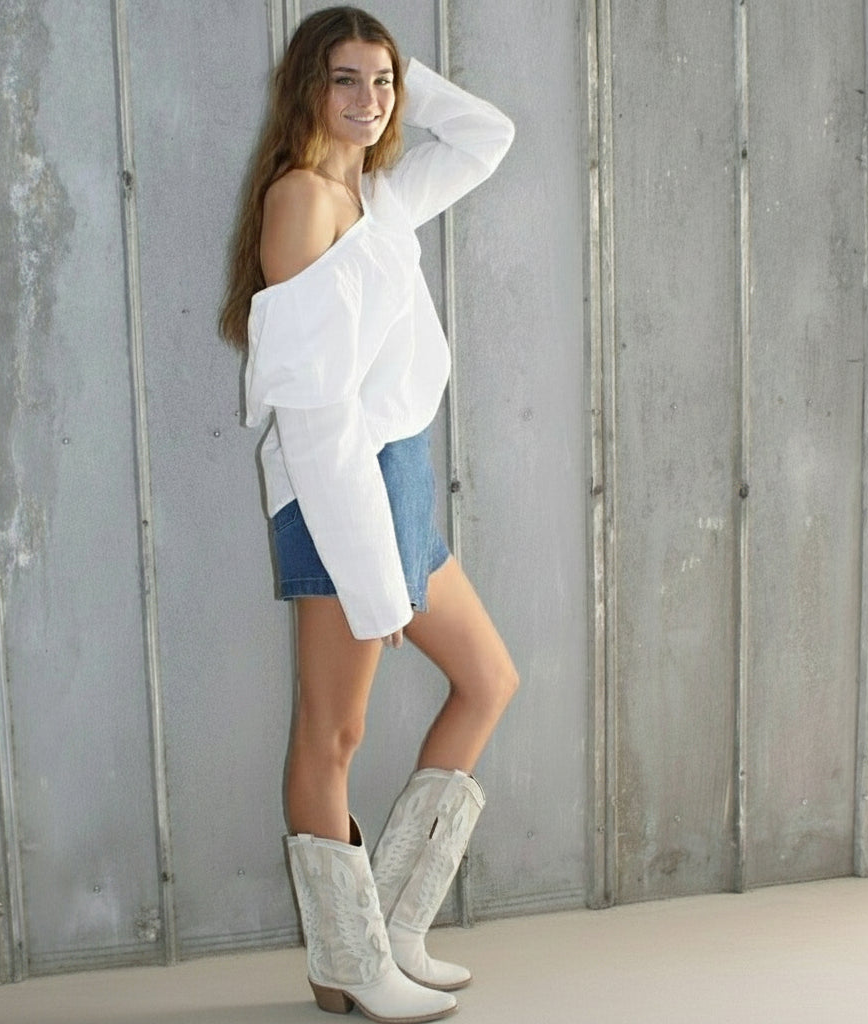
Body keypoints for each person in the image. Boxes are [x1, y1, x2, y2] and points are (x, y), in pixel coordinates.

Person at [220, 7, 517, 1021]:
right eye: (343, 80)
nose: (370, 101)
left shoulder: (377, 194)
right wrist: (371, 572)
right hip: (338, 490)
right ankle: (345, 960)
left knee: (486, 679)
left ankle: (384, 933)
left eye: (381, 82)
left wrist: (393, 80)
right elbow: (314, 418)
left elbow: (487, 135)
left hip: (397, 477)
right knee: (332, 731)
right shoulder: (303, 201)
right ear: (305, 87)